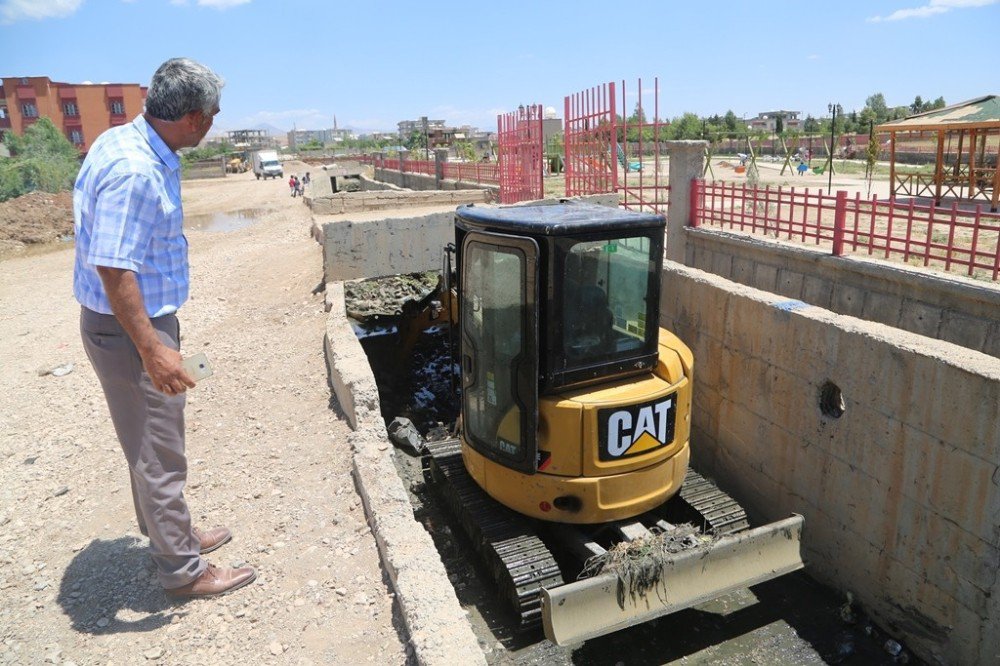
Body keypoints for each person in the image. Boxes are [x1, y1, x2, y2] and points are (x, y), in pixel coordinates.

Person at [73, 58, 256, 599]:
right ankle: (183, 569)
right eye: (214, 114)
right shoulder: (135, 169)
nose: (216, 124)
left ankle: (169, 532)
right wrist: (152, 348)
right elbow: (112, 264)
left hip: (128, 326)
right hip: (131, 332)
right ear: (194, 117)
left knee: (146, 443)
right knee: (158, 451)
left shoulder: (131, 142)